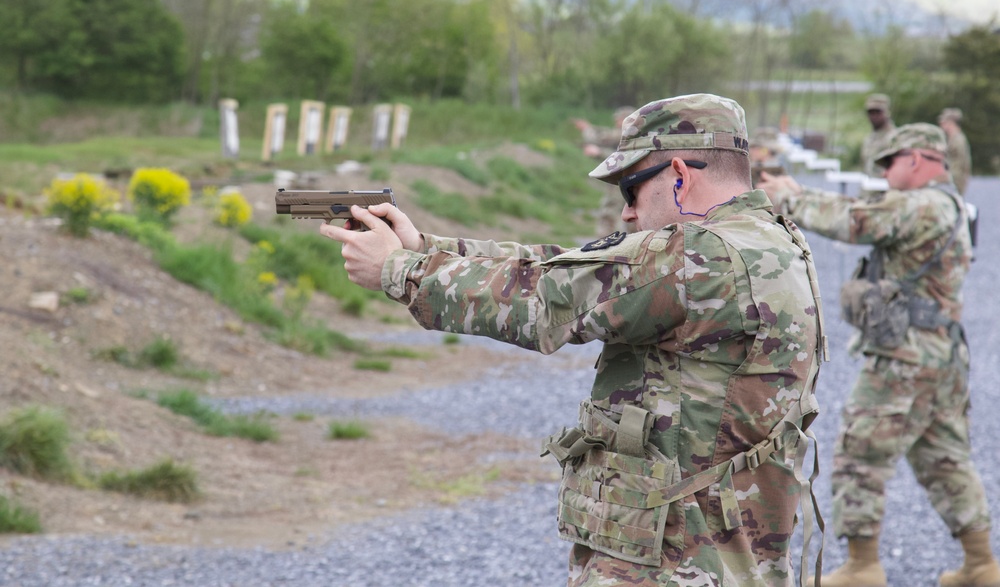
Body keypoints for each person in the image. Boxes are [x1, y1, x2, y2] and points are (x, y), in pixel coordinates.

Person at [321, 93, 827, 586]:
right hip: (730, 556)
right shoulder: (771, 241)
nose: (627, 213)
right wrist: (427, 247)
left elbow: (542, 300)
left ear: (678, 175)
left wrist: (398, 270)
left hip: (669, 563)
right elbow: (575, 269)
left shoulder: (698, 258)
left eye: (631, 189)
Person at [759, 123, 1000, 587]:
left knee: (859, 451)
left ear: (916, 158)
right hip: (939, 354)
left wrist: (790, 196)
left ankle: (863, 567)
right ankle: (981, 564)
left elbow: (855, 220)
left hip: (904, 357)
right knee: (945, 456)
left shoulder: (924, 204)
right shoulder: (946, 204)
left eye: (890, 162)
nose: (885, 173)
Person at [573, 106, 634, 235]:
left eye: (618, 120)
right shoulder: (633, 133)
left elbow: (621, 155)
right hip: (630, 178)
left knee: (610, 212)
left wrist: (598, 152)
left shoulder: (628, 132)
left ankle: (606, 244)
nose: (616, 123)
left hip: (624, 178)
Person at [860, 94, 897, 176]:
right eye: (871, 112)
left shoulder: (895, 137)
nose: (874, 116)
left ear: (887, 112)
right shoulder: (869, 139)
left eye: (878, 112)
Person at [938, 107, 972, 195]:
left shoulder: (958, 140)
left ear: (951, 122)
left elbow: (960, 165)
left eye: (944, 122)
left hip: (955, 182)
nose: (941, 124)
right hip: (953, 181)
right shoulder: (953, 139)